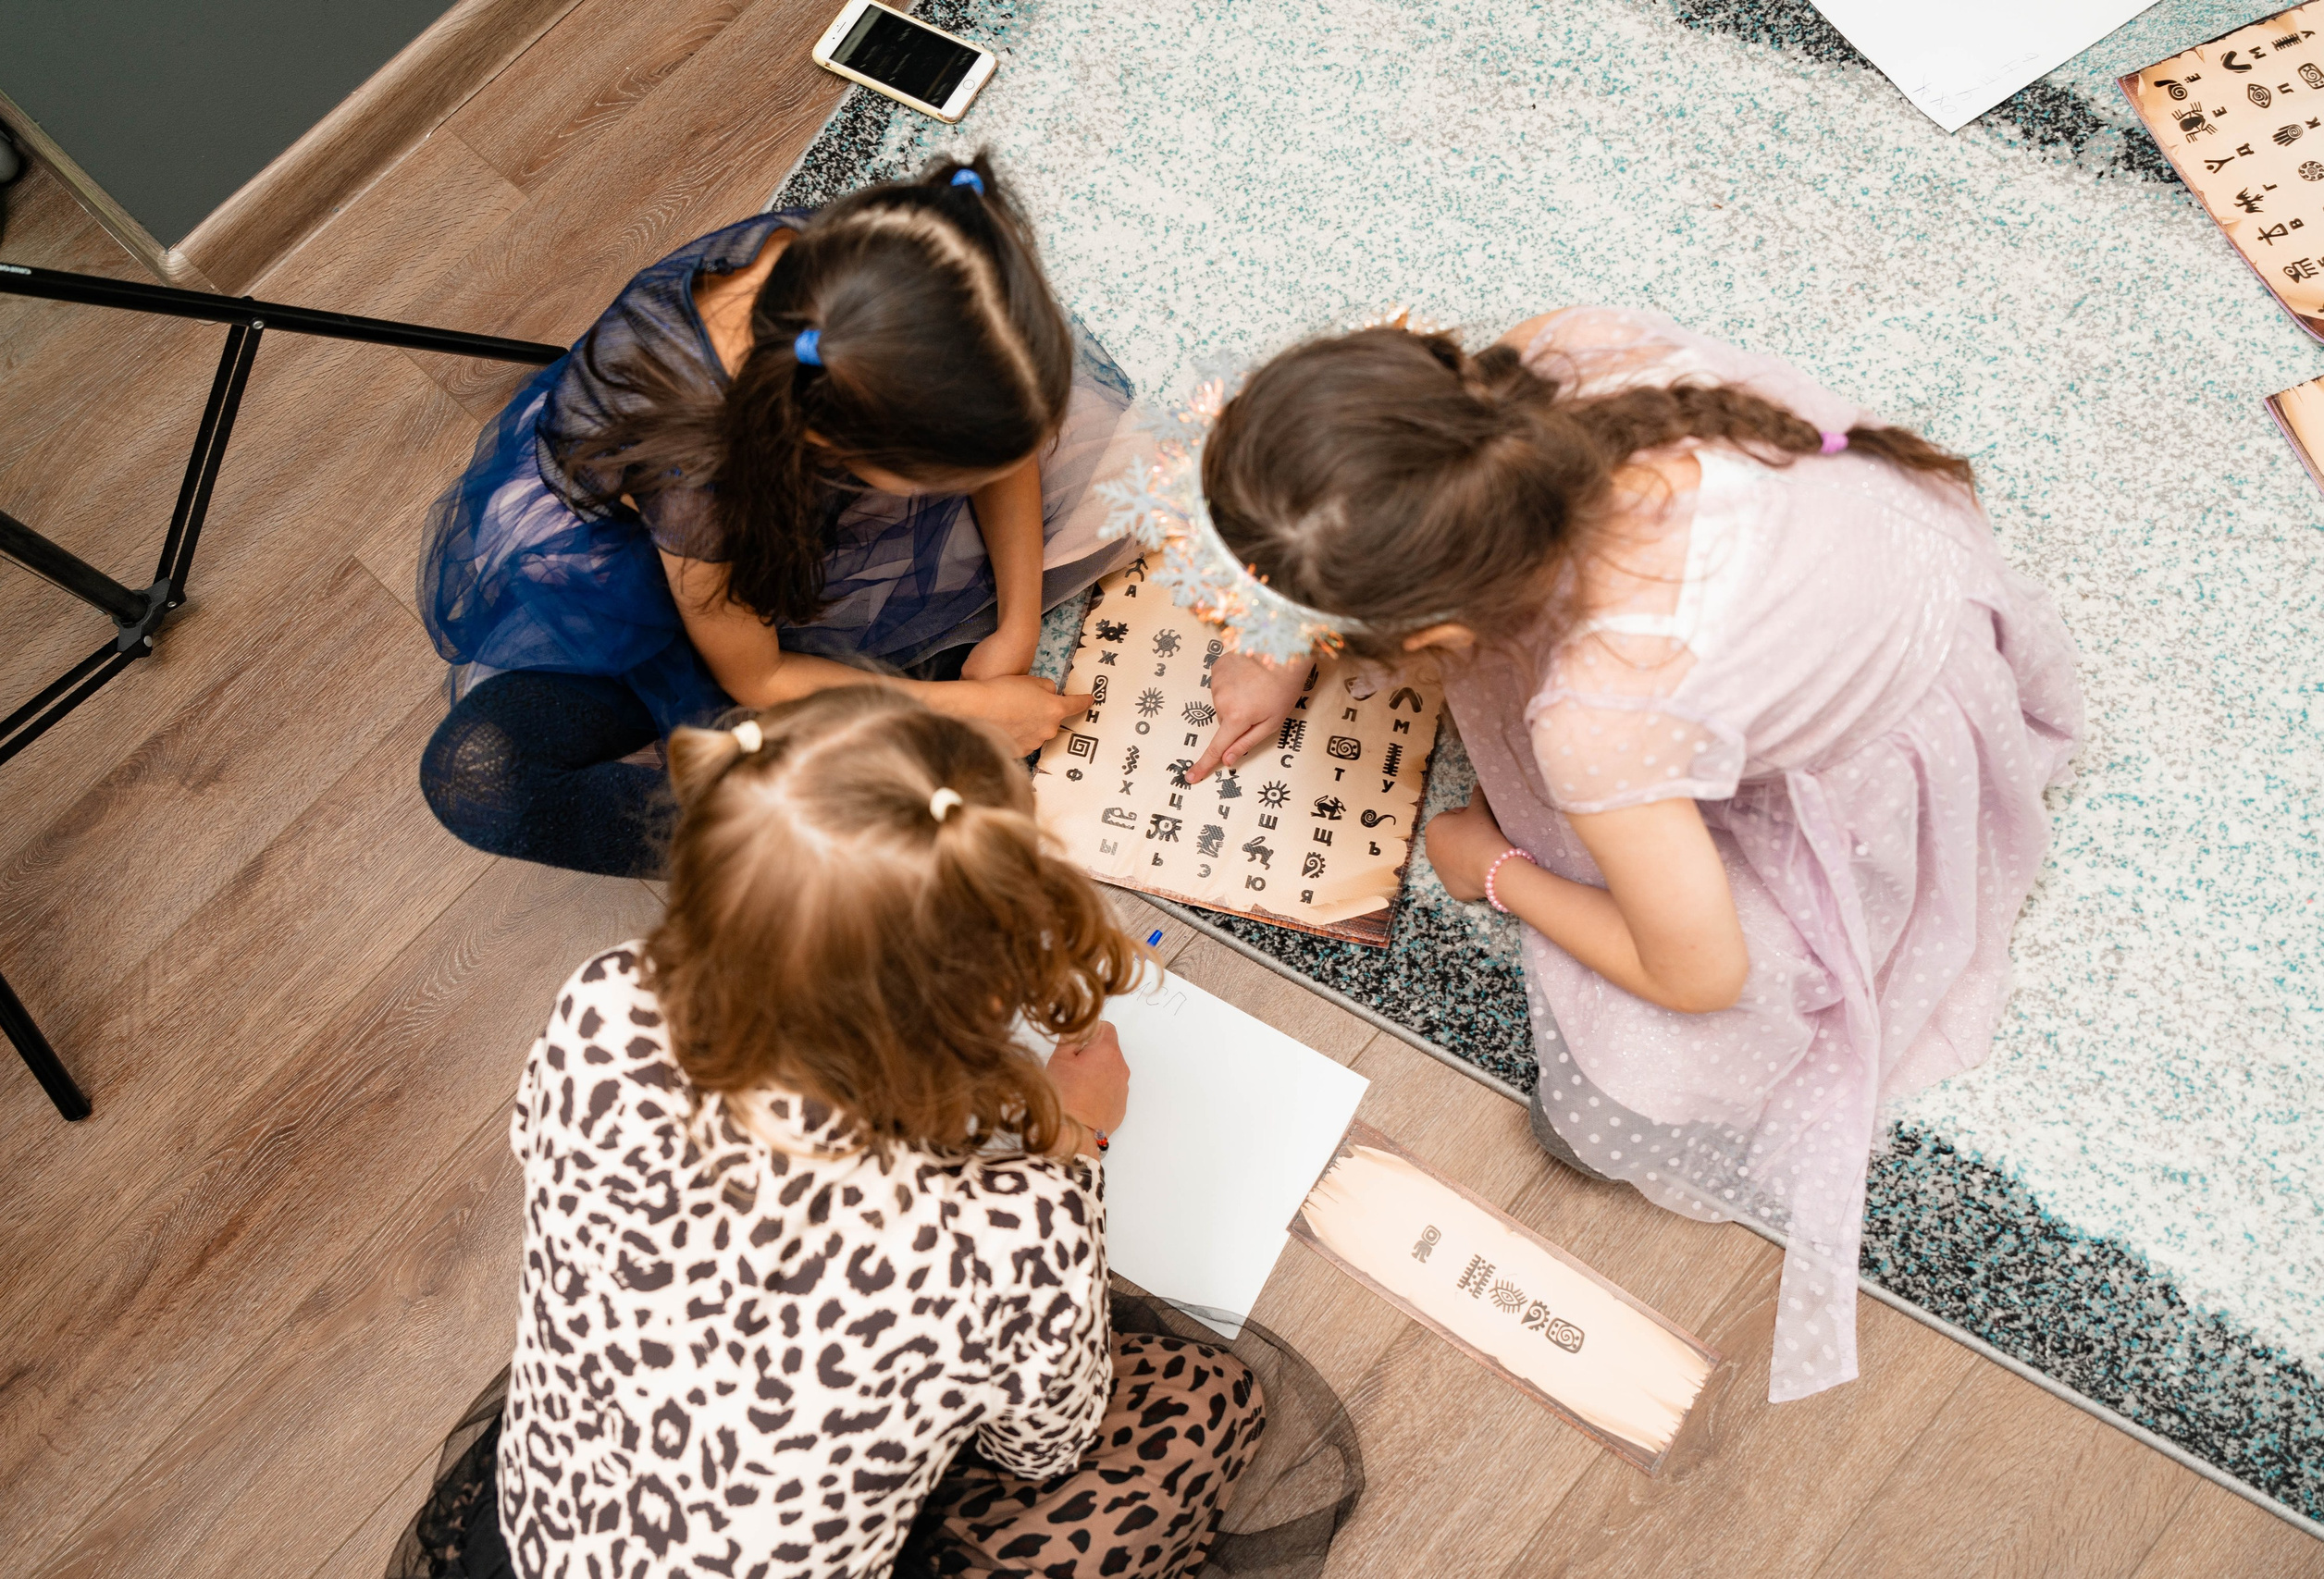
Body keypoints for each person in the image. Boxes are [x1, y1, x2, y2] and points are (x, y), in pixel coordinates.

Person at [1154, 306, 2081, 1402]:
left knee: (1598, 1116)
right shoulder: (1560, 359)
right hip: (1878, 554)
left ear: (1435, 632)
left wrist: (1493, 871)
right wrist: (1280, 640)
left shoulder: (1600, 715)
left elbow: (1700, 973)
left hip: (1876, 727)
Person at [386, 686, 1361, 1579]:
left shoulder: (607, 1003)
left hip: (539, 1543)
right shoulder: (1014, 1235)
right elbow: (1043, 1448)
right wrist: (1075, 1145)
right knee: (1205, 1397)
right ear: (990, 989)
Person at [416, 154, 1143, 878]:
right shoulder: (702, 474)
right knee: (478, 778)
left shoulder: (874, 278)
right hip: (655, 571)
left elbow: (1009, 447)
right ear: (835, 442)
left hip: (755, 511)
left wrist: (1018, 626)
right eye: (945, 478)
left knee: (1116, 483)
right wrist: (961, 709)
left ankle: (882, 741)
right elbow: (758, 677)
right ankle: (816, 844)